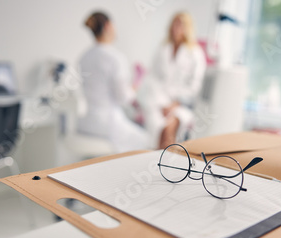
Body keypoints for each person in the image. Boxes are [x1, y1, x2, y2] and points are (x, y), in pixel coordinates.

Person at [77, 12, 149, 153]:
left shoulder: (84, 57)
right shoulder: (115, 58)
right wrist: (137, 82)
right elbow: (124, 99)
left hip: (85, 123)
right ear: (108, 26)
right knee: (146, 141)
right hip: (107, 124)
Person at [138, 12, 206, 149]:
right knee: (157, 131)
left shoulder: (195, 53)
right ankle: (154, 164)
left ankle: (164, 166)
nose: (176, 27)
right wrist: (161, 103)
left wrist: (174, 104)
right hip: (158, 102)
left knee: (169, 129)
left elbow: (195, 87)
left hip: (181, 105)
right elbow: (153, 79)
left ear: (188, 28)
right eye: (174, 23)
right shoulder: (162, 49)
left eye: (180, 24)